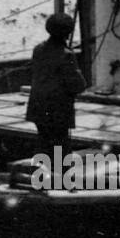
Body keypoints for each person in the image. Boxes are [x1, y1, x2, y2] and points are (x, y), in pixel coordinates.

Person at [25, 13, 87, 174]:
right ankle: (64, 181)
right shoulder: (67, 55)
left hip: (38, 107)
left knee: (43, 143)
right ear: (68, 33)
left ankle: (38, 178)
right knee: (61, 147)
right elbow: (79, 85)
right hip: (58, 110)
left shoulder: (38, 49)